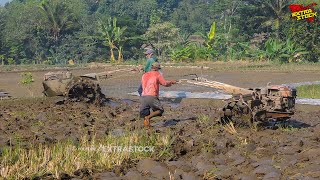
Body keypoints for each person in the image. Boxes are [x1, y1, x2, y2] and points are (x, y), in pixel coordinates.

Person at [140, 62, 176, 127]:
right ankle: (148, 117)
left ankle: (147, 128)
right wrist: (171, 82)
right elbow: (164, 83)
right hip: (151, 95)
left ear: (152, 67)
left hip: (143, 96)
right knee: (160, 110)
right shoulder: (157, 74)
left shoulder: (144, 75)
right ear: (157, 68)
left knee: (145, 113)